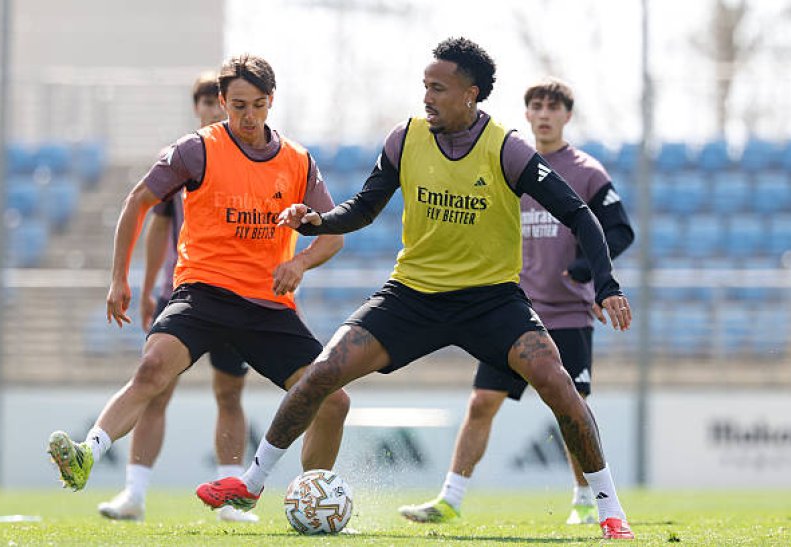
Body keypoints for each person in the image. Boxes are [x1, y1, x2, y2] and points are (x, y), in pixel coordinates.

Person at [196, 38, 635, 540]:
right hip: (412, 295)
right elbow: (364, 207)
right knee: (323, 372)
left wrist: (606, 284)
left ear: (471, 93)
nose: (427, 97)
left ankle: (609, 511)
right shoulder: (405, 139)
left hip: (490, 299)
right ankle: (250, 485)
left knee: (557, 384)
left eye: (438, 88)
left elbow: (580, 213)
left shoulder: (506, 149)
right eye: (425, 86)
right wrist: (319, 221)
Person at [46, 54, 351, 501]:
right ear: (222, 102)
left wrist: (300, 262)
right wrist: (119, 278)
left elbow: (333, 235)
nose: (249, 117)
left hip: (266, 305)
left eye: (258, 105)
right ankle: (86, 455)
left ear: (272, 100)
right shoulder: (196, 149)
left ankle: (313, 498)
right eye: (238, 106)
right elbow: (137, 202)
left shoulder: (298, 160)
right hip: (203, 292)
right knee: (152, 368)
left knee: (333, 400)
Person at [397, 77, 635, 527]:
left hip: (566, 313)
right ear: (527, 113)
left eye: (553, 107)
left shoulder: (586, 171)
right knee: (481, 402)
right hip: (510, 312)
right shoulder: (508, 160)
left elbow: (619, 230)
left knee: (572, 409)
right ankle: (450, 499)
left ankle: (585, 500)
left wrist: (585, 270)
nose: (544, 114)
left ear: (567, 115)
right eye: (536, 106)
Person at [96, 72, 259, 523]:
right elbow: (159, 226)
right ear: (197, 107)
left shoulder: (250, 159)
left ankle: (230, 498)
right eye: (204, 101)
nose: (211, 108)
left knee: (230, 393)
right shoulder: (184, 159)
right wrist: (149, 287)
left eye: (216, 101)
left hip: (236, 294)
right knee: (155, 388)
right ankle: (134, 493)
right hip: (183, 293)